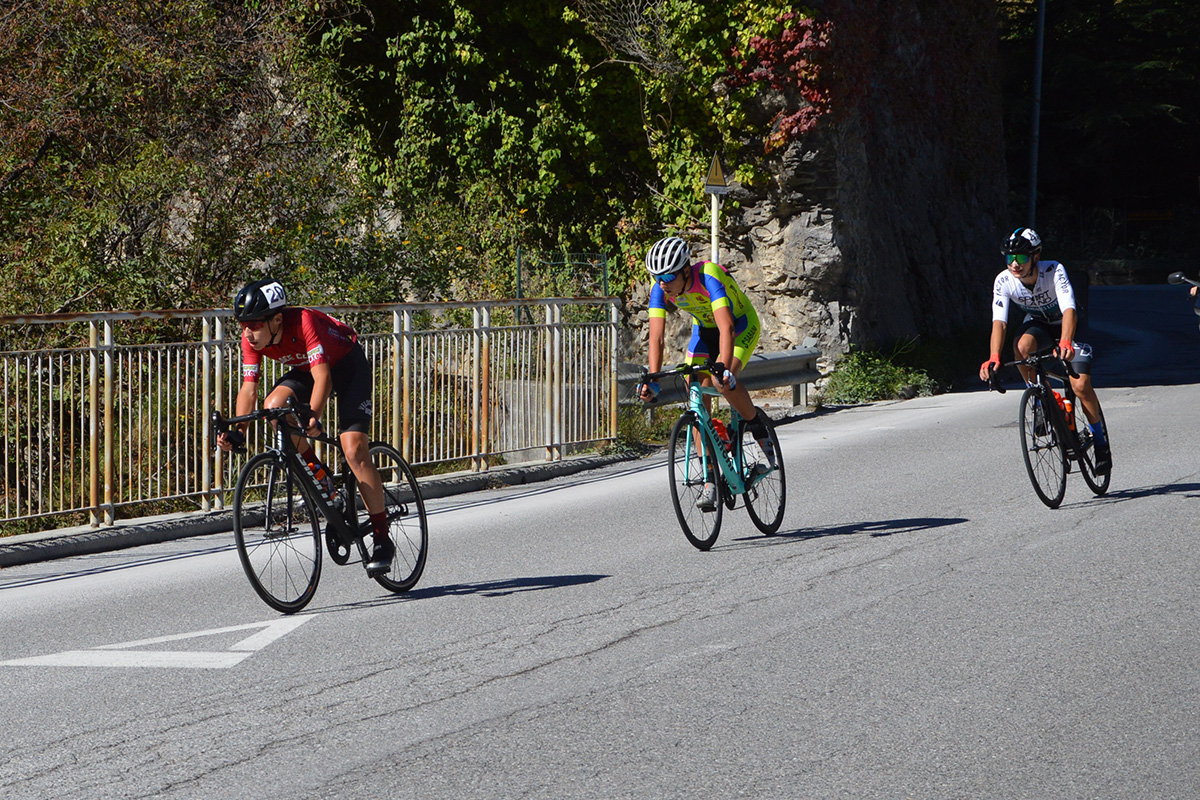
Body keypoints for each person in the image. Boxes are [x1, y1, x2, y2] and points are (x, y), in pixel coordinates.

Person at [216, 279, 396, 575]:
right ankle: (325, 482)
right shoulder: (252, 339)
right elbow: (250, 389)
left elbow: (323, 376)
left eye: (256, 324)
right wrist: (239, 432)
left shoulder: (304, 321)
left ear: (277, 320)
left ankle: (381, 536)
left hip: (348, 367)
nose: (248, 332)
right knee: (275, 408)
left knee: (353, 450)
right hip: (307, 372)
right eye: (243, 324)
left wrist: (313, 415)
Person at [636, 236, 773, 510]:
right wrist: (652, 378)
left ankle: (758, 428)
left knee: (722, 383)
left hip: (739, 325)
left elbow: (727, 328)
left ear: (686, 270)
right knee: (694, 389)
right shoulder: (660, 287)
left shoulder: (709, 274)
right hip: (705, 330)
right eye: (656, 277)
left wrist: (723, 366)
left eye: (668, 276)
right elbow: (657, 338)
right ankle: (710, 476)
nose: (662, 283)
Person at [979, 227, 1111, 473]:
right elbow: (1000, 322)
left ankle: (1101, 443)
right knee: (1021, 348)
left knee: (1080, 386)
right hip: (1039, 325)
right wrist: (994, 357)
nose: (1015, 264)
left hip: (1068, 326)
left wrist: (1066, 341)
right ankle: (1041, 398)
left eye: (1021, 258)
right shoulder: (1004, 280)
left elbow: (1069, 308)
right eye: (1010, 258)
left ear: (1036, 257)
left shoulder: (1053, 270)